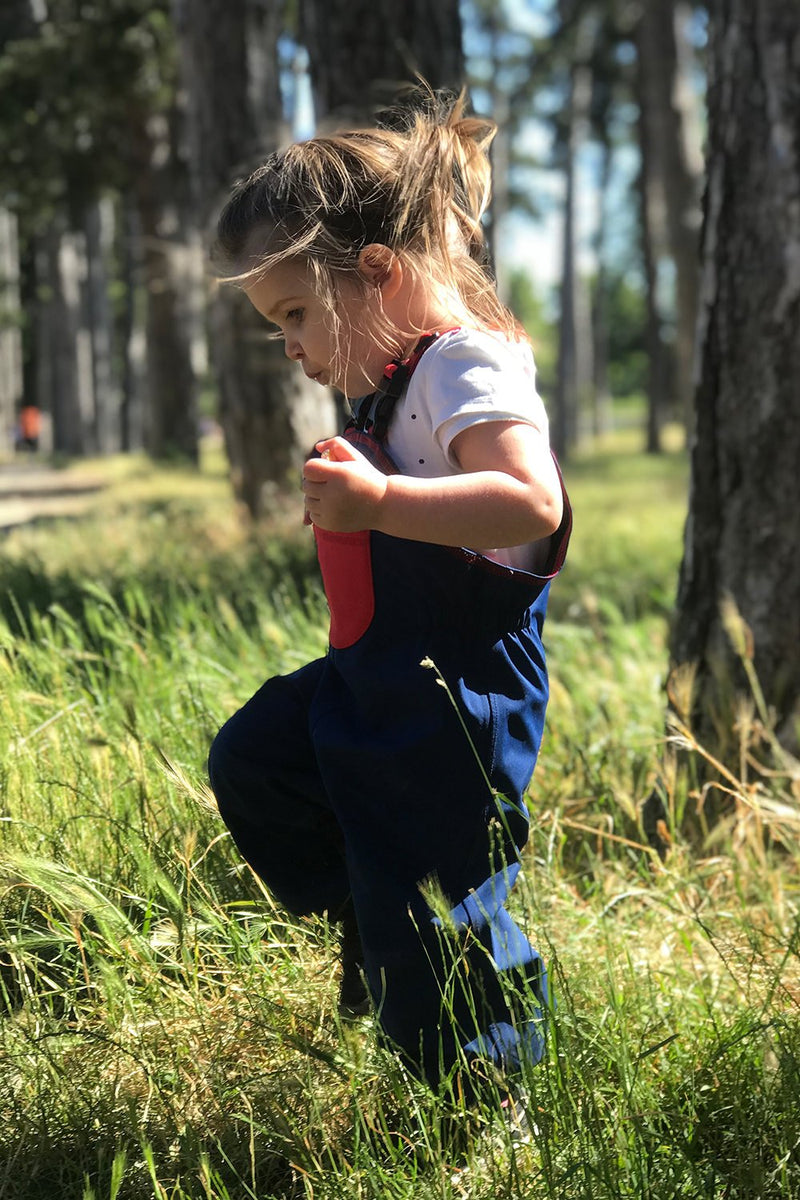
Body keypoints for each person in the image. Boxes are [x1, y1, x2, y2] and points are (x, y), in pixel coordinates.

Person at [207, 89, 572, 1100]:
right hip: (377, 674)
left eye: (292, 314)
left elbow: (524, 499)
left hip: (457, 694)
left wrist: (376, 499)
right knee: (257, 759)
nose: (288, 344)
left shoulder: (466, 364)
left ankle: (487, 1094)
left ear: (375, 273)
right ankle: (368, 924)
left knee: (441, 893)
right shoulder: (394, 377)